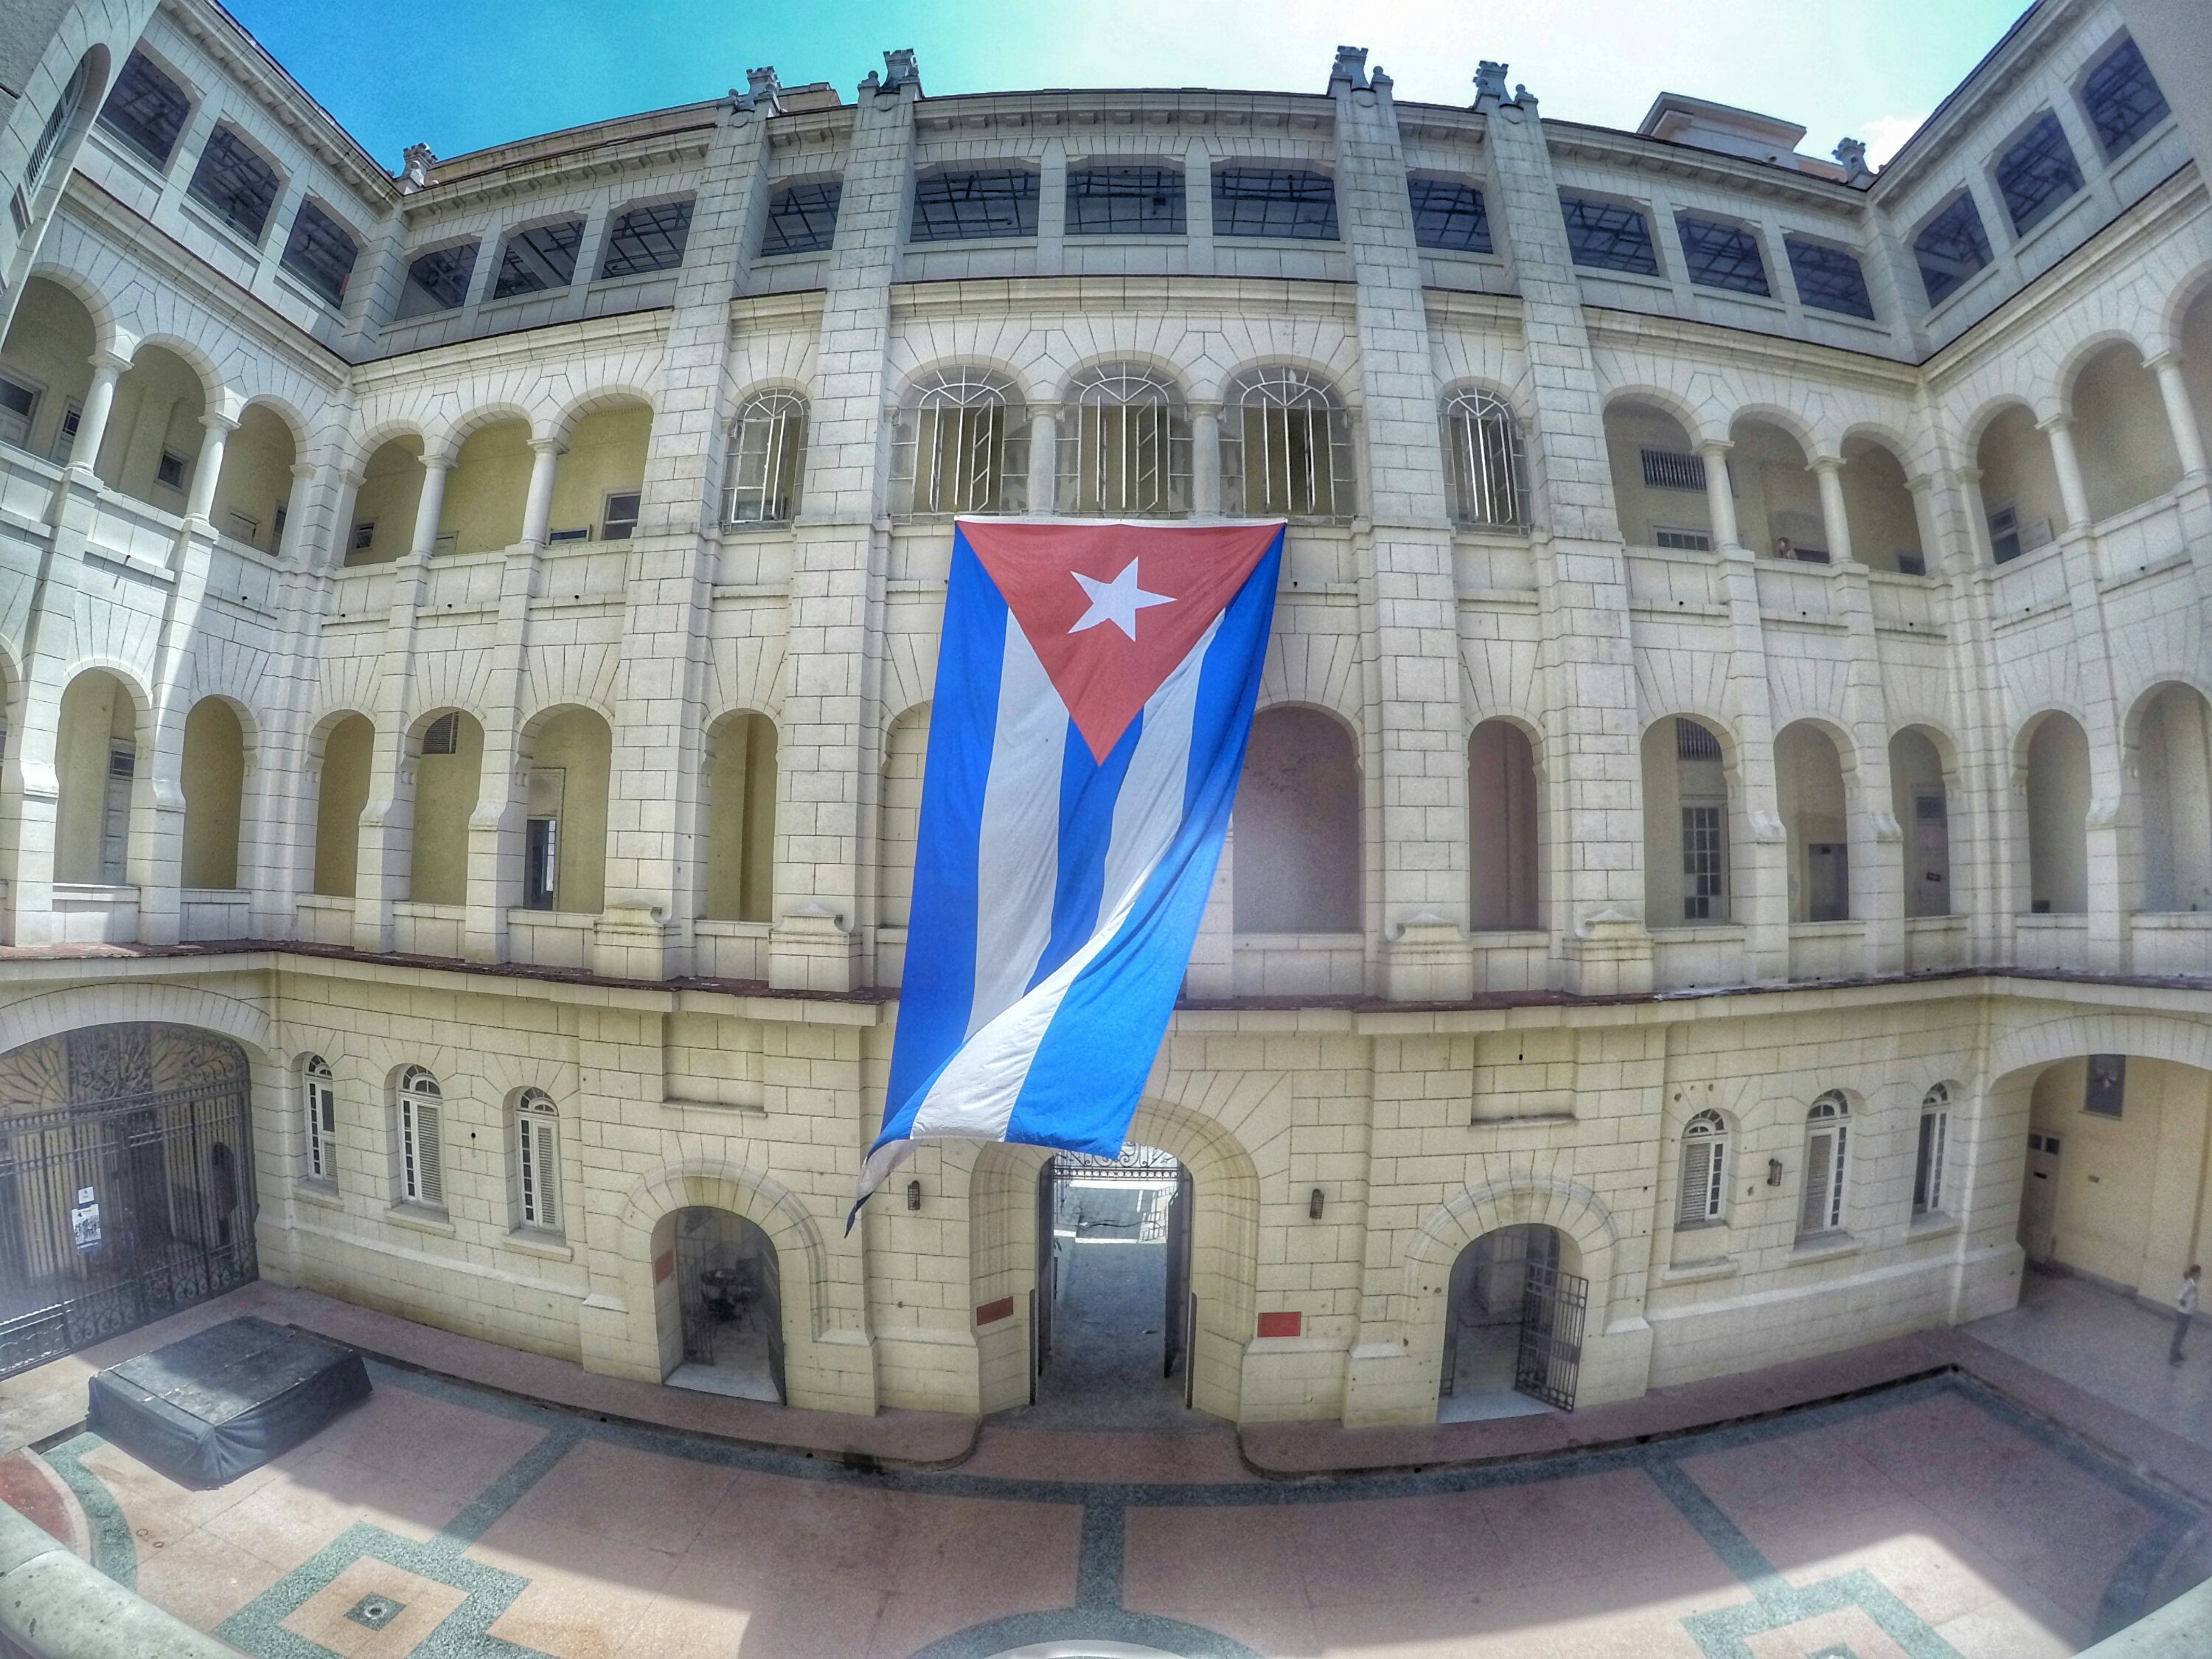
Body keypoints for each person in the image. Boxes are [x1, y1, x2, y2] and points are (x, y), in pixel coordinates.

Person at [2173, 1265, 2202, 1365]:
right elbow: (2180, 1295)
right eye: (2199, 1273)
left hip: (2187, 1314)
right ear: (2195, 1274)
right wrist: (2183, 1303)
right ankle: (2172, 1359)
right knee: (2178, 1336)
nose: (2200, 1275)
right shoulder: (2189, 1284)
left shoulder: (2192, 1283)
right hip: (2183, 1314)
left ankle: (2177, 1353)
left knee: (2181, 1335)